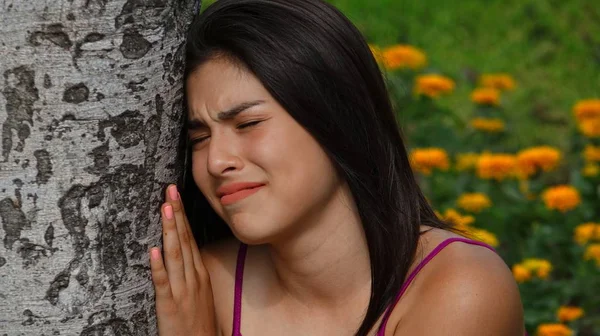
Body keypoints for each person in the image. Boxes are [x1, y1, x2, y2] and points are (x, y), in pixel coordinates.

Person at [148, 0, 526, 335]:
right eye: (199, 139)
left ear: (336, 118)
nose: (216, 161)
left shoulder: (459, 289)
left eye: (248, 124)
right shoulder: (199, 286)